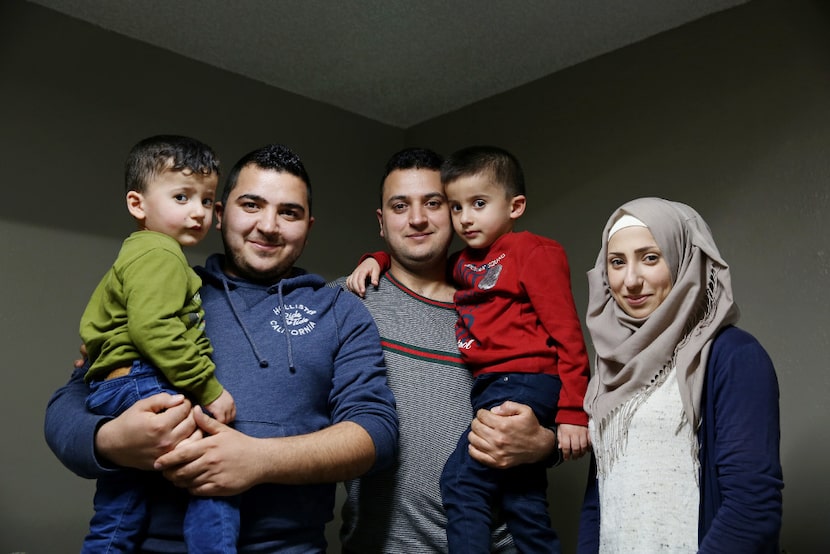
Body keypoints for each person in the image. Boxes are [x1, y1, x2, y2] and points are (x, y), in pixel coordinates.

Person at [45, 143, 399, 553]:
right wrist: (109, 440)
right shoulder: (165, 291)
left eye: (289, 212)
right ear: (218, 214)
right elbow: (66, 405)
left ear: (308, 225)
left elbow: (377, 433)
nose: (269, 225)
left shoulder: (340, 311)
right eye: (251, 205)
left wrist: (260, 459)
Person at [351, 146, 590, 553]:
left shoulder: (515, 265)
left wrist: (554, 435)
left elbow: (566, 338)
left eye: (434, 203)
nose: (418, 218)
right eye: (399, 206)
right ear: (381, 220)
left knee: (466, 483)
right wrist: (375, 259)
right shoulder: (354, 299)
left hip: (501, 534)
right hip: (385, 544)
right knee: (504, 493)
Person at [577, 197, 784, 553]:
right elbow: (602, 495)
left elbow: (752, 508)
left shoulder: (733, 356)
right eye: (616, 262)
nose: (630, 280)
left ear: (684, 258)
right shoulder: (613, 366)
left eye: (650, 258)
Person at [78, 135, 238, 553]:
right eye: (182, 196)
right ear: (138, 204)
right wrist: (209, 388)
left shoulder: (136, 252)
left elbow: (94, 327)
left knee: (121, 502)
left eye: (206, 200)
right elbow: (155, 330)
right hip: (143, 382)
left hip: (114, 386)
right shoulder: (162, 255)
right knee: (212, 476)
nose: (197, 212)